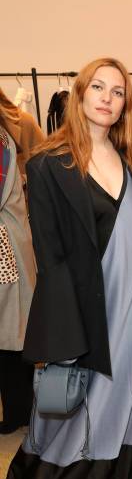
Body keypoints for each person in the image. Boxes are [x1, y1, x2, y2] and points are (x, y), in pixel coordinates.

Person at [6, 57, 132, 479]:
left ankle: (119, 471)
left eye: (118, 92)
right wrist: (65, 323)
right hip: (85, 302)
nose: (108, 98)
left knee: (128, 388)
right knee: (71, 399)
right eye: (98, 87)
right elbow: (50, 256)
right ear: (78, 94)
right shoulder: (48, 163)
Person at [0, 122, 36, 434]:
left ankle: (19, 412)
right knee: (11, 335)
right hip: (10, 247)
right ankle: (18, 410)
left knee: (11, 336)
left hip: (5, 250)